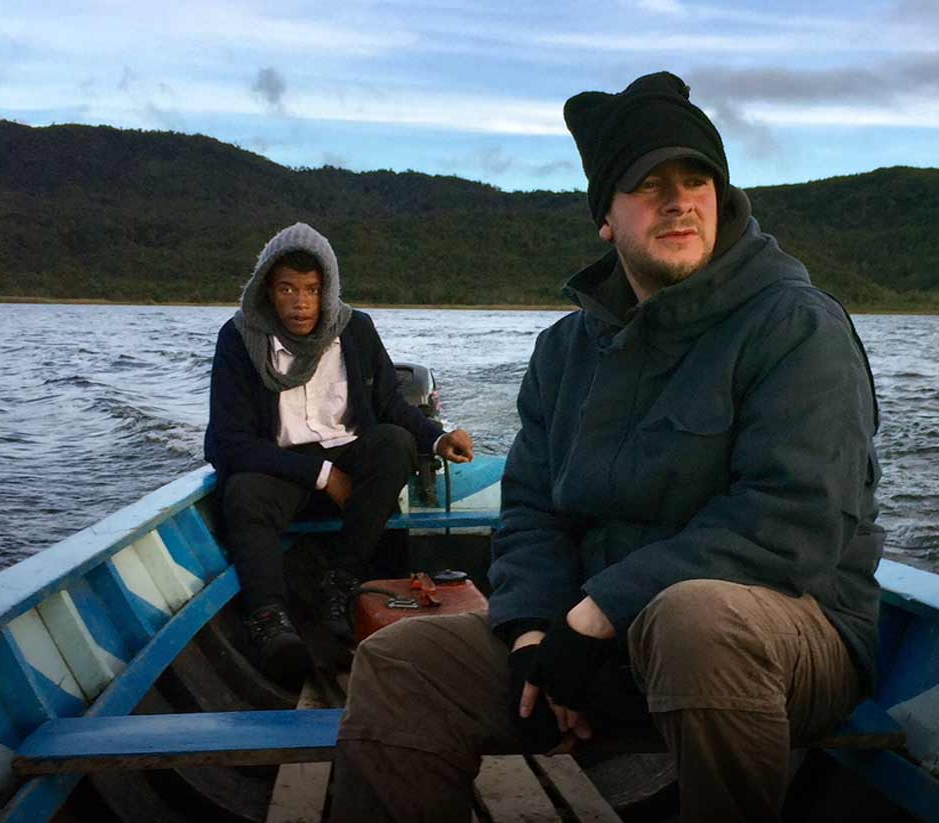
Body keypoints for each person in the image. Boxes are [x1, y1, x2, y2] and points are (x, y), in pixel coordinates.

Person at [328, 71, 884, 821]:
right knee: (401, 664)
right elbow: (532, 512)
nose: (679, 200)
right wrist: (533, 634)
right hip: (601, 642)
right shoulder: (565, 352)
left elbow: (794, 521)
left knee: (694, 620)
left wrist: (594, 617)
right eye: (648, 184)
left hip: (789, 634)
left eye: (696, 180)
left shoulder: (794, 327)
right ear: (605, 218)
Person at [205, 222, 474, 687]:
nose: (300, 302)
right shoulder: (239, 339)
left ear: (327, 289)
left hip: (352, 463)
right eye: (287, 288)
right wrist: (323, 474)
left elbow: (391, 404)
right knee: (242, 491)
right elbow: (226, 442)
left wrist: (437, 438)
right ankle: (270, 620)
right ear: (267, 290)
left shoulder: (355, 329)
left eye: (312, 289)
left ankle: (341, 583)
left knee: (394, 442)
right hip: (282, 468)